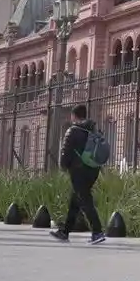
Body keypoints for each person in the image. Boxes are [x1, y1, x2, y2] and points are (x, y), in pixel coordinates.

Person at [52, 103, 106, 244]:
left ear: (73, 116)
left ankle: (97, 232)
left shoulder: (72, 131)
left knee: (85, 200)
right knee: (76, 199)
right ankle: (65, 232)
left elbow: (66, 151)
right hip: (93, 169)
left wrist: (63, 166)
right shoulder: (93, 129)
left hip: (78, 170)